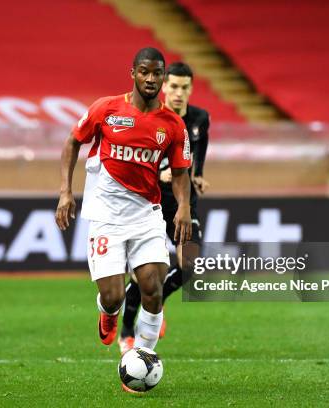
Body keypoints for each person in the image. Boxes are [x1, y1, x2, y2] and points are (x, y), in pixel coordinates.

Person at [55, 47, 192, 371]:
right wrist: (65, 192)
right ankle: (108, 312)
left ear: (162, 77)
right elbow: (73, 141)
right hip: (105, 216)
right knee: (114, 295)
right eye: (144, 71)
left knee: (152, 289)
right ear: (133, 73)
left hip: (146, 215)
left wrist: (183, 206)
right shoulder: (106, 109)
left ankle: (141, 359)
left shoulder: (172, 125)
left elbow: (181, 172)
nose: (150, 78)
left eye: (156, 73)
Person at [118, 62, 211, 353]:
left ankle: (157, 302)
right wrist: (160, 174)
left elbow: (199, 150)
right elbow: (135, 160)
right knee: (146, 275)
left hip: (184, 204)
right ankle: (127, 331)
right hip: (154, 203)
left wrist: (197, 175)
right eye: (173, 86)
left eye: (184, 87)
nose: (178, 93)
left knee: (190, 266)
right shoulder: (152, 118)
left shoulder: (199, 118)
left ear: (191, 89)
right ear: (163, 86)